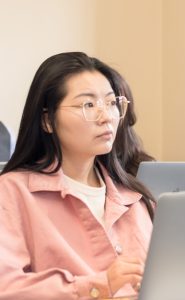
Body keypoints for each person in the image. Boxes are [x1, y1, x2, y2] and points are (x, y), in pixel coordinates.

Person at [0, 52, 154, 299]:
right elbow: (6, 288)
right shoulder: (11, 192)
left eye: (111, 103)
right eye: (88, 105)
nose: (106, 117)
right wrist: (100, 285)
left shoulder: (135, 197)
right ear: (48, 120)